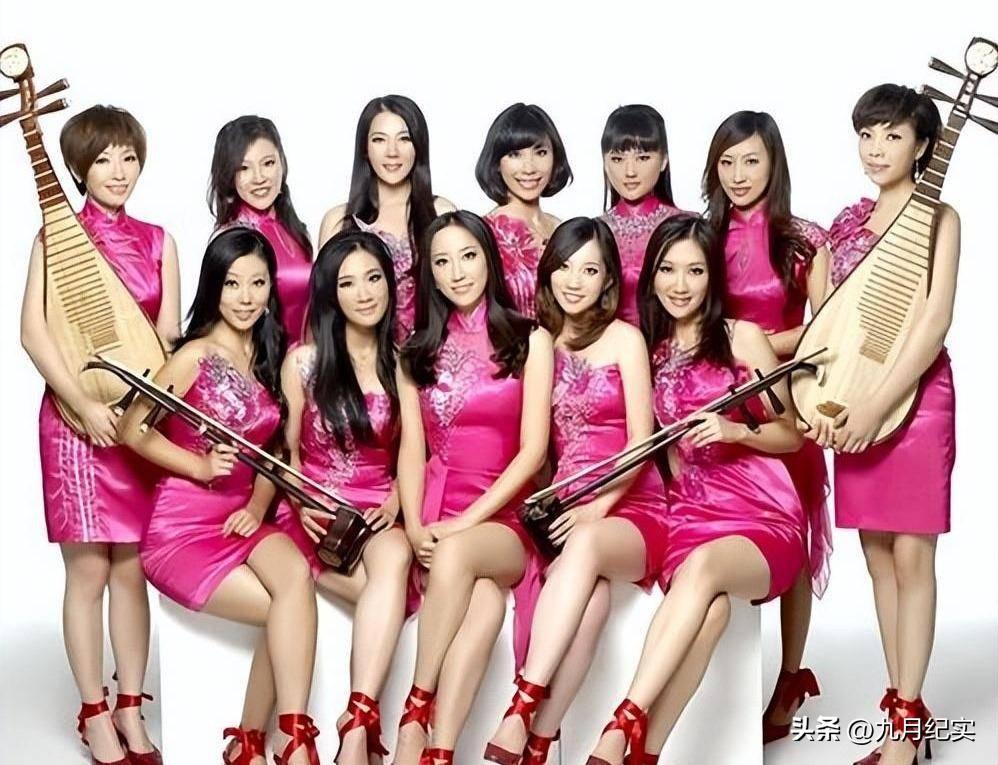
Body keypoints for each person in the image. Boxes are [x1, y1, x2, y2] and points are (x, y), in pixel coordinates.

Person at [586, 214, 805, 763]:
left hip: (761, 513)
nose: (680, 285)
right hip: (688, 516)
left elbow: (791, 434)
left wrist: (736, 431)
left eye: (695, 271)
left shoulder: (741, 338)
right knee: (712, 614)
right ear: (652, 276)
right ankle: (645, 753)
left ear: (712, 277)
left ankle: (622, 722)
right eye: (668, 270)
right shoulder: (648, 349)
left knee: (706, 569)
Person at [121, 228, 320, 765]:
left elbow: (271, 450)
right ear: (213, 287)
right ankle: (274, 744)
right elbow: (133, 428)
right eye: (233, 284)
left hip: (242, 516)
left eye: (258, 283)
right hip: (181, 529)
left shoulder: (270, 352)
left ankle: (271, 741)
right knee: (287, 613)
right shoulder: (195, 356)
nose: (246, 297)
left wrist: (256, 506)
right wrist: (200, 465)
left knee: (296, 580)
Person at [20, 104, 179, 765]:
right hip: (74, 425)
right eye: (103, 159)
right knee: (88, 569)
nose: (118, 171)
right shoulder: (54, 238)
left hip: (138, 425)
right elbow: (35, 333)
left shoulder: (160, 240)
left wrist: (142, 413)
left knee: (132, 568)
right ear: (78, 168)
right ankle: (92, 711)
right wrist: (82, 404)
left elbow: (166, 340)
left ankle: (131, 706)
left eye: (129, 156)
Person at [484, 218, 669, 765]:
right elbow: (536, 446)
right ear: (548, 273)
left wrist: (598, 508)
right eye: (564, 267)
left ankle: (521, 705)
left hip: (633, 502)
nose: (574, 280)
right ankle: (541, 743)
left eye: (589, 270)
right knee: (593, 603)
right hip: (566, 506)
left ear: (608, 279)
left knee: (586, 546)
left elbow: (641, 442)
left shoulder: (626, 340)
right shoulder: (541, 343)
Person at [814, 84, 957, 765]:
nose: (876, 148)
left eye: (893, 135)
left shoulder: (939, 218)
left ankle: (903, 728)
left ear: (923, 144)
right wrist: (819, 403)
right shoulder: (845, 223)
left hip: (917, 399)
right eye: (867, 134)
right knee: (876, 555)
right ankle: (906, 706)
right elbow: (822, 327)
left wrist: (879, 404)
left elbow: (933, 321)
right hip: (852, 398)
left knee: (911, 554)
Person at [391, 211, 553, 765]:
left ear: (490, 260)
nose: (457, 272)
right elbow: (412, 450)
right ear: (430, 274)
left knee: (458, 554)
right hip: (436, 511)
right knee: (484, 611)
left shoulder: (529, 340)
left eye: (468, 256)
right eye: (442, 261)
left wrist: (461, 524)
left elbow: (533, 452)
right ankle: (440, 752)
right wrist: (415, 526)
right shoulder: (414, 351)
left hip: (501, 519)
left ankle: (414, 712)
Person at [701, 110, 832, 742]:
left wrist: (755, 344)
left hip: (784, 400)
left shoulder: (802, 238)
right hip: (712, 401)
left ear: (774, 163)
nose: (738, 174)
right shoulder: (701, 236)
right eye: (726, 162)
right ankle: (722, 690)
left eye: (750, 160)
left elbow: (828, 329)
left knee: (796, 537)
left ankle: (788, 675)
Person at [271, 230, 412, 765]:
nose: (364, 293)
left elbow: (417, 450)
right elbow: (286, 454)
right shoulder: (303, 363)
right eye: (347, 283)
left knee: (395, 556)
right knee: (390, 592)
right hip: (313, 515)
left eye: (374, 278)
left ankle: (356, 724)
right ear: (330, 293)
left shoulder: (404, 362)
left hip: (376, 511)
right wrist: (299, 502)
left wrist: (396, 499)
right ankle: (362, 736)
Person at [319, 95, 456, 340]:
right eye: (379, 140)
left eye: (404, 139)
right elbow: (324, 308)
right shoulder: (338, 220)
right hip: (360, 357)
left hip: (431, 352)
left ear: (419, 146)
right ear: (365, 148)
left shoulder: (441, 212)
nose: (392, 152)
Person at [209, 115, 313, 343]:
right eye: (244, 168)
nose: (259, 178)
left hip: (306, 359)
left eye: (268, 163)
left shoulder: (296, 231)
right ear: (229, 175)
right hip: (260, 360)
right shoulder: (231, 239)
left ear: (282, 162)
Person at [476, 103, 573, 317]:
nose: (529, 168)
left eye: (540, 152)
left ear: (555, 156)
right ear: (496, 162)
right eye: (515, 154)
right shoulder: (482, 233)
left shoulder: (561, 228)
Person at [600, 104, 685, 325]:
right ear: (605, 163)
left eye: (643, 158)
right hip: (609, 345)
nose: (630, 172)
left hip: (674, 344)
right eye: (617, 159)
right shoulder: (593, 233)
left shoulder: (687, 227)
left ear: (664, 160)